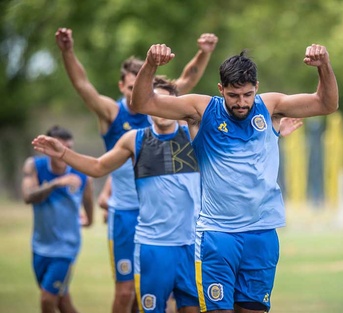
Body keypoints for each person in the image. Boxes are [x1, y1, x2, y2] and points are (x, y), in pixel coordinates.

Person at [130, 43, 339, 313]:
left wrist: (324, 66)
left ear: (257, 88)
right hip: (217, 236)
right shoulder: (201, 110)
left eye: (248, 94)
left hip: (261, 235)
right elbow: (142, 103)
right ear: (221, 90)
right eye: (233, 95)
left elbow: (327, 103)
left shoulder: (271, 106)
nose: (241, 102)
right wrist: (150, 64)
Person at [55, 27, 218, 313]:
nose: (137, 95)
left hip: (181, 227)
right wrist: (68, 51)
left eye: (141, 87)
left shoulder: (172, 116)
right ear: (122, 87)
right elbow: (83, 86)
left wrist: (203, 53)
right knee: (126, 293)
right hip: (131, 215)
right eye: (132, 88)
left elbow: (188, 80)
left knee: (176, 299)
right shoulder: (116, 118)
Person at [32, 78, 201, 313]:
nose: (161, 107)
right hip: (153, 246)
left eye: (167, 102)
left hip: (191, 245)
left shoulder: (194, 136)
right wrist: (63, 153)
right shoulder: (135, 140)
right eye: (156, 101)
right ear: (148, 105)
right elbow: (98, 167)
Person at [22, 125, 94, 313]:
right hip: (40, 245)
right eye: (59, 148)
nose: (64, 153)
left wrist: (89, 220)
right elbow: (28, 197)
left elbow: (88, 201)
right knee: (62, 302)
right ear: (47, 149)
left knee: (47, 299)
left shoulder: (81, 173)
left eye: (68, 148)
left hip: (66, 248)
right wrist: (55, 183)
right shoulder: (35, 167)